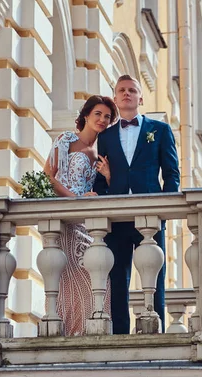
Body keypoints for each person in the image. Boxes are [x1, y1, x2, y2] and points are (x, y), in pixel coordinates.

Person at [93, 75, 180, 334]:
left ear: (141, 98)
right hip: (117, 215)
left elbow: (172, 173)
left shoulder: (160, 130)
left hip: (150, 214)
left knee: (155, 275)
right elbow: (100, 178)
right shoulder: (105, 136)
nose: (127, 94)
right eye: (122, 90)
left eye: (132, 90)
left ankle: (157, 328)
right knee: (117, 276)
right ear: (116, 97)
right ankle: (120, 332)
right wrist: (104, 193)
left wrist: (165, 208)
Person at [43, 95, 117, 336]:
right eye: (98, 114)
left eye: (107, 116)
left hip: (87, 223)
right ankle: (65, 333)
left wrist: (107, 176)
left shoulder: (102, 152)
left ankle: (88, 333)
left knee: (97, 278)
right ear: (86, 115)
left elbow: (106, 190)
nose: (102, 120)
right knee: (66, 281)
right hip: (65, 219)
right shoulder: (66, 140)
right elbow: (48, 176)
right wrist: (75, 201)